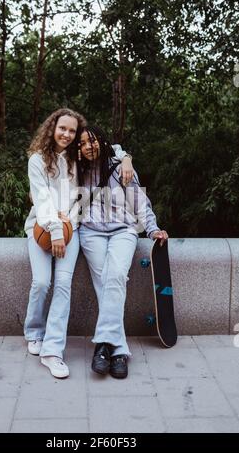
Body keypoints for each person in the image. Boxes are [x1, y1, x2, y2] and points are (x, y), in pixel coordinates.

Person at [23, 109, 134, 379]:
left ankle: (52, 351)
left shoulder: (77, 159)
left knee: (63, 284)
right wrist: (55, 229)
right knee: (41, 282)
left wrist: (127, 158)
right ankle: (33, 331)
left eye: (72, 131)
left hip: (71, 229)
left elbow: (109, 147)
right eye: (63, 128)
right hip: (42, 228)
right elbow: (41, 199)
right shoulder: (37, 160)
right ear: (52, 128)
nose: (67, 134)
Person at [77, 125, 168, 379]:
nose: (88, 147)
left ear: (102, 142)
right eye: (83, 143)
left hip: (123, 231)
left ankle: (103, 346)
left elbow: (140, 203)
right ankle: (118, 352)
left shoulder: (120, 167)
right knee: (104, 282)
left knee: (115, 275)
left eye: (92, 141)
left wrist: (153, 230)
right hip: (90, 232)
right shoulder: (77, 169)